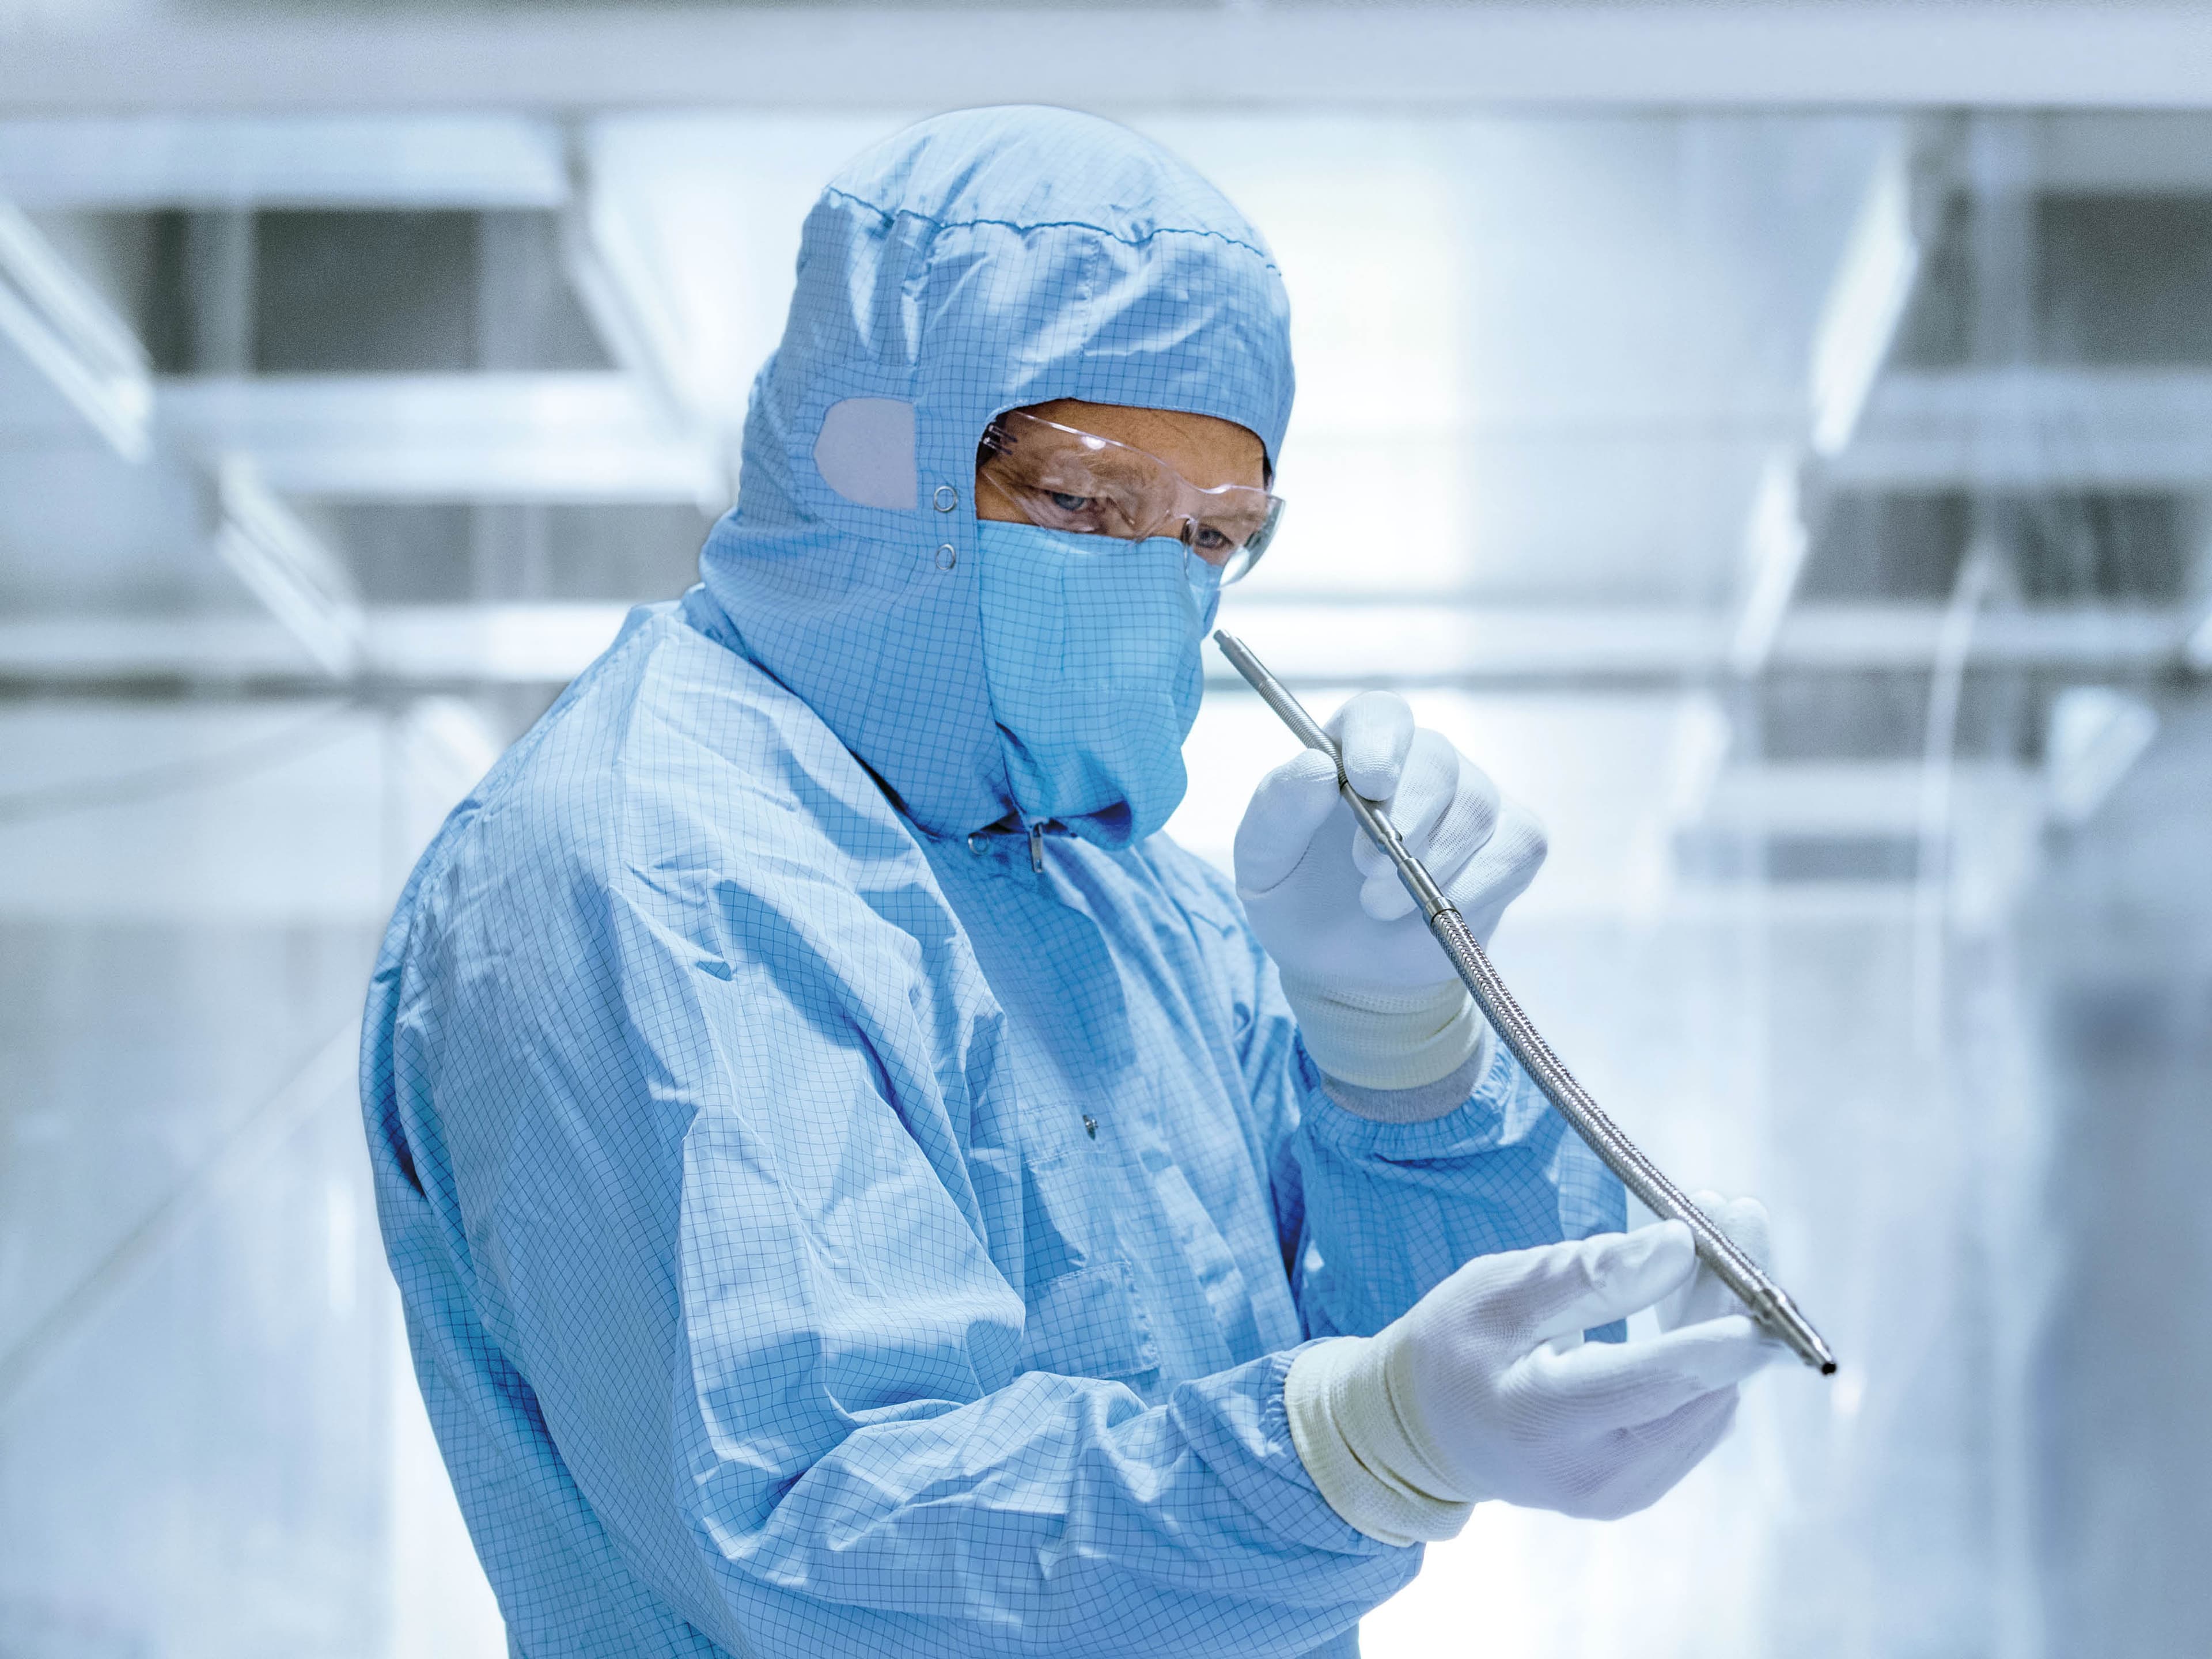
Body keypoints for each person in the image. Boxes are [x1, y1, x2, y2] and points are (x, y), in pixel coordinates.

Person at [361, 105, 1781, 1659]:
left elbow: (1408, 1353)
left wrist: (1400, 1061)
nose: (1150, 578)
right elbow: (833, 1537)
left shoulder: (1117, 898)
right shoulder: (649, 865)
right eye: (1082, 503)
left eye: (1214, 533)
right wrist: (1367, 1443)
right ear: (873, 457)